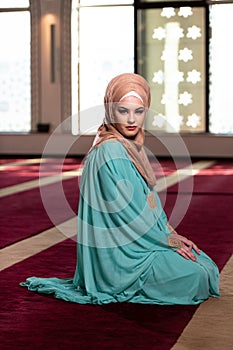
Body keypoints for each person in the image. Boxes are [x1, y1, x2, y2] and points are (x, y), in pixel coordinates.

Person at [21, 73, 220, 305]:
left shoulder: (131, 147)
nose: (131, 120)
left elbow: (148, 202)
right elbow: (129, 218)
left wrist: (171, 234)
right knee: (195, 276)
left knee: (204, 264)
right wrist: (169, 242)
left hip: (144, 241)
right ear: (110, 110)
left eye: (139, 111)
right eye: (123, 111)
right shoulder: (111, 150)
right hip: (122, 257)